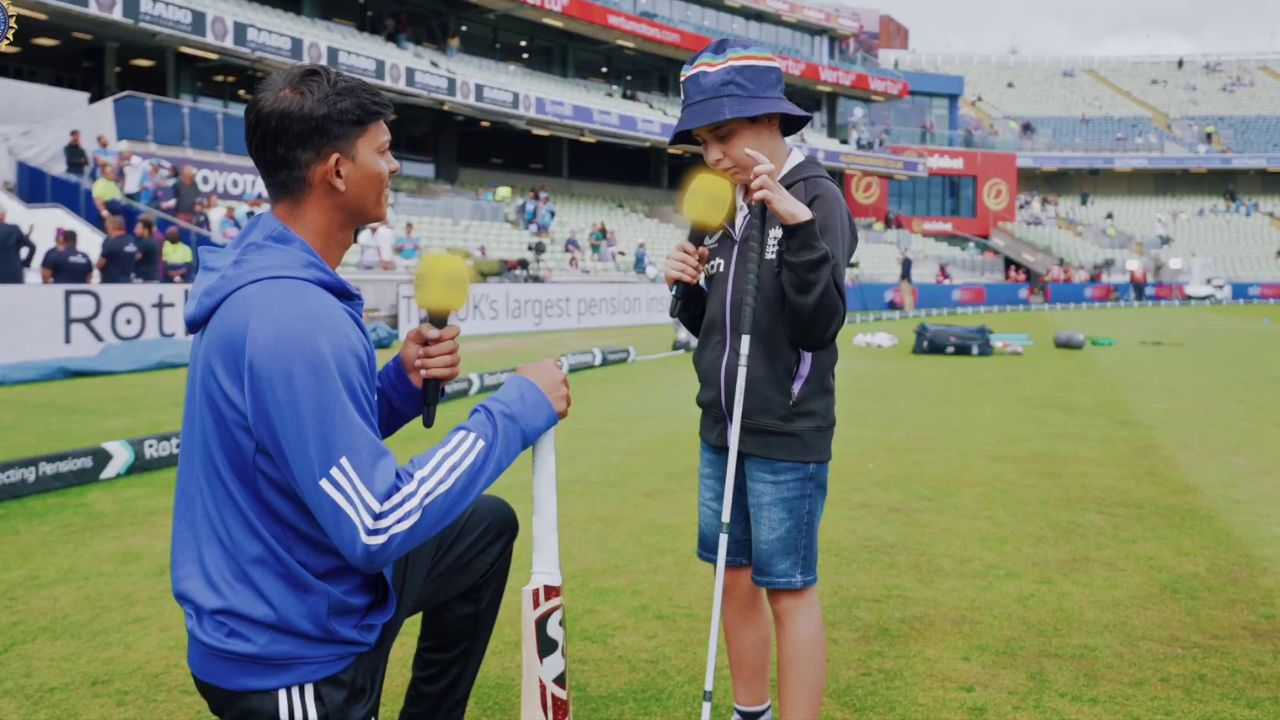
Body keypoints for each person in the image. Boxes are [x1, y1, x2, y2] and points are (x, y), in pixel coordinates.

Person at [171, 64, 571, 720]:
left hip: (299, 586)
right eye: (382, 151)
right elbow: (374, 521)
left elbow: (294, 442)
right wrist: (517, 407)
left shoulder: (281, 283)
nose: (394, 166)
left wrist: (398, 387)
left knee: (481, 529)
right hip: (285, 651)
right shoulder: (292, 315)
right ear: (335, 170)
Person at [662, 40, 856, 720]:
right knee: (731, 580)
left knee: (789, 588)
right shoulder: (719, 204)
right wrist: (685, 288)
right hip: (722, 427)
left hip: (785, 431)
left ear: (773, 121)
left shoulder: (817, 198)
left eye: (726, 133)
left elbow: (819, 325)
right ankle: (751, 711)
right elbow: (710, 324)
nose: (714, 154)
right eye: (704, 140)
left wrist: (797, 229)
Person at [97, 215, 140, 283]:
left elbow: (100, 264)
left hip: (111, 283)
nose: (107, 231)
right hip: (128, 281)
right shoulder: (133, 241)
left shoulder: (111, 243)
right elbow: (137, 256)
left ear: (113, 227)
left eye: (107, 228)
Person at [0, 205, 36, 283]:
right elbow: (32, 247)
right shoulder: (14, 229)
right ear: (3, 216)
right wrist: (25, 263)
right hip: (14, 274)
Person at [133, 216, 161, 282]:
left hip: (146, 281)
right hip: (148, 279)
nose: (134, 230)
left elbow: (134, 258)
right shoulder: (150, 241)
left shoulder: (146, 243)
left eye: (138, 228)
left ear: (145, 230)